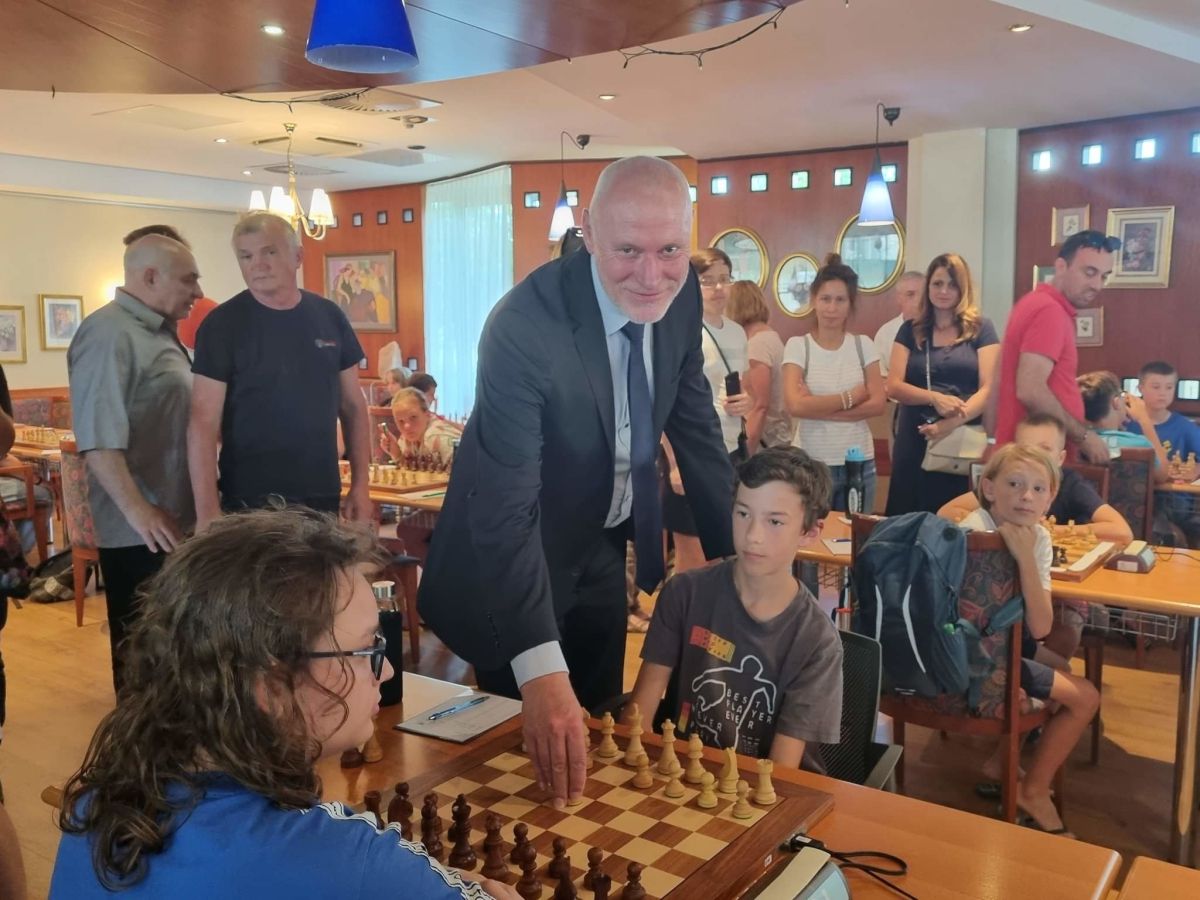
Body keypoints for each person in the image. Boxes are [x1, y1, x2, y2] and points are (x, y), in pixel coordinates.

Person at [418, 156, 735, 808]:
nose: (651, 276)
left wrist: (740, 560)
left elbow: (698, 430)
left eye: (670, 250)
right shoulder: (523, 326)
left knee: (596, 732)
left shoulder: (682, 297)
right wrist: (539, 670)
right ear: (587, 231)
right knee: (521, 763)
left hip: (599, 542)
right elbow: (505, 510)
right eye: (627, 251)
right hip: (511, 558)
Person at [50, 508, 516, 899]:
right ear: (272, 685)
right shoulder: (352, 863)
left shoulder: (94, 807)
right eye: (366, 650)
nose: (388, 670)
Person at [627, 448, 842, 770]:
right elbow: (638, 719)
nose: (753, 536)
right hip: (680, 774)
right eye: (743, 514)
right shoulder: (684, 593)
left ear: (810, 533)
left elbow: (781, 770)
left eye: (774, 521)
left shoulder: (816, 640)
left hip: (762, 787)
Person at [68, 233, 201, 693]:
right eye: (188, 280)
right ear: (150, 277)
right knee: (145, 670)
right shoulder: (108, 334)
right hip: (140, 536)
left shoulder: (158, 332)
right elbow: (97, 439)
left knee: (178, 666)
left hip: (174, 524)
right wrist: (140, 511)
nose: (197, 291)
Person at [189, 213, 373, 528]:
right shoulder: (222, 326)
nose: (257, 265)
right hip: (249, 499)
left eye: (269, 252)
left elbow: (354, 406)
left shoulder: (329, 316)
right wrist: (207, 513)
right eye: (246, 256)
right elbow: (202, 423)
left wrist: (361, 485)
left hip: (322, 494)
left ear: (298, 257)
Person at [959, 444, 1099, 837]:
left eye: (1038, 489)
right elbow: (1037, 627)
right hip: (977, 656)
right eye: (1015, 484)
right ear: (989, 488)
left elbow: (1039, 629)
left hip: (1001, 643)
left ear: (1051, 498)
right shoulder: (972, 532)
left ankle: (1000, 762)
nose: (1026, 496)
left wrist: (1026, 557)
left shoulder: (1035, 535)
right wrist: (1024, 559)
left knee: (1060, 665)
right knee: (1086, 697)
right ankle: (1033, 791)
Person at [938, 412, 1133, 660]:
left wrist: (1045, 541)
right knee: (1060, 669)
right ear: (989, 488)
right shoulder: (983, 520)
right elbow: (946, 513)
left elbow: (1122, 530)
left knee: (1063, 649)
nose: (1027, 495)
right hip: (967, 646)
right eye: (1025, 448)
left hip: (1016, 626)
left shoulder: (1051, 510)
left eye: (1044, 449)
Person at [884, 253, 999, 515]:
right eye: (937, 284)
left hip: (962, 438)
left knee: (956, 517)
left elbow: (989, 388)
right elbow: (894, 386)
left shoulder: (981, 329)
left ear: (963, 288)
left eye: (952, 284)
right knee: (906, 516)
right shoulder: (910, 330)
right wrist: (934, 398)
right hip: (915, 436)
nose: (944, 291)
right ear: (928, 287)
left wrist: (951, 422)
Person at [661, 250, 753, 575]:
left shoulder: (738, 332)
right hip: (690, 454)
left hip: (730, 451)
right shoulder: (681, 330)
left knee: (727, 551)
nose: (718, 288)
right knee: (693, 561)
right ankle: (682, 610)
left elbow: (744, 388)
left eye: (725, 279)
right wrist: (674, 464)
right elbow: (665, 404)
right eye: (708, 280)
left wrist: (746, 402)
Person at [991, 230, 1119, 463]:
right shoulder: (1049, 311)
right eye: (1089, 272)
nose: (1097, 285)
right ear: (1061, 266)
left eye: (1104, 276)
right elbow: (1030, 389)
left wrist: (993, 442)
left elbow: (998, 378)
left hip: (1024, 456)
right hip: (1037, 461)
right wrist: (1084, 437)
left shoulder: (1033, 302)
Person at [781, 253, 885, 511]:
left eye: (840, 300)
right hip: (810, 463)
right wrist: (851, 398)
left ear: (850, 304)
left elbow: (877, 404)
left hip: (858, 462)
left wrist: (817, 407)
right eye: (825, 299)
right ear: (813, 300)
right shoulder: (798, 346)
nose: (831, 308)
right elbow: (795, 405)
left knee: (855, 534)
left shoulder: (863, 345)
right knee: (810, 533)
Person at [1131, 361, 1200, 547]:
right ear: (1140, 388)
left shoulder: (1185, 427)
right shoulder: (1128, 425)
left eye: (1169, 387)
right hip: (1139, 496)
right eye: (1156, 387)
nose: (1163, 393)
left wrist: (1195, 470)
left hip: (1177, 501)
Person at [727, 279, 793, 450]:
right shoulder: (769, 337)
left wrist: (745, 452)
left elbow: (759, 406)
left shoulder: (757, 345)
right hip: (775, 438)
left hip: (765, 443)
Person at [1078, 370, 1168, 480]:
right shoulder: (1140, 444)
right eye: (1122, 396)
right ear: (1116, 402)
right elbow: (1162, 474)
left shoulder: (1075, 442)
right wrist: (1144, 420)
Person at [380, 387, 461, 461]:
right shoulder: (406, 439)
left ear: (427, 414)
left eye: (413, 417)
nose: (407, 426)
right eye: (400, 421)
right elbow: (410, 469)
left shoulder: (434, 435)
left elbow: (461, 468)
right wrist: (397, 453)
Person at [873, 271, 924, 378]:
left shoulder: (939, 330)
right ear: (899, 298)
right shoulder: (885, 333)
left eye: (923, 294)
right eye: (910, 294)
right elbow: (880, 377)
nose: (919, 300)